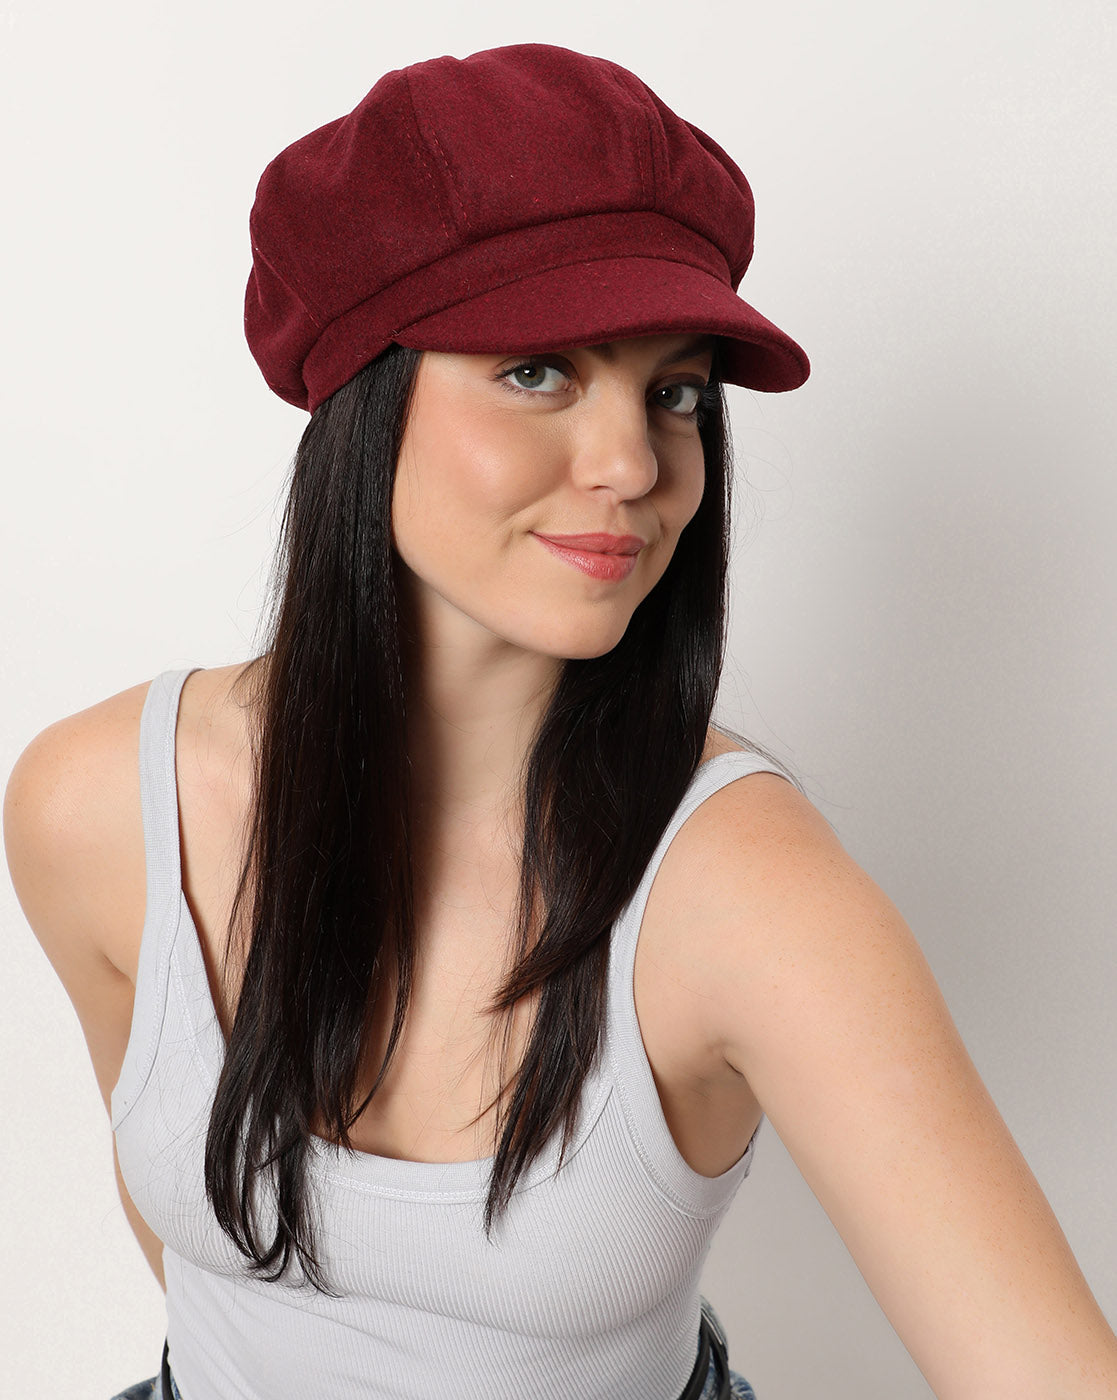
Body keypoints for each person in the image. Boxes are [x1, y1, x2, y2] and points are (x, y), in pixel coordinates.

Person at [4, 40, 1116, 1400]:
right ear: (364, 399)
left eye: (674, 391)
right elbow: (196, 1259)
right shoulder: (99, 809)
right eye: (537, 371)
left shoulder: (751, 897)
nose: (634, 463)